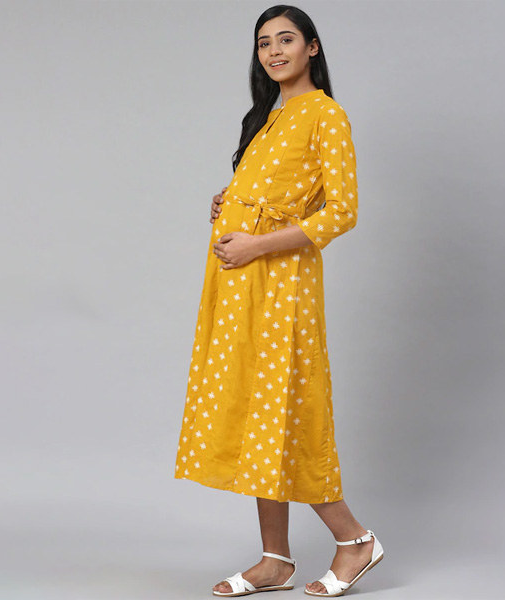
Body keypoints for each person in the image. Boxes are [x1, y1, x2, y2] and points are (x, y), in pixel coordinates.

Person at [174, 5, 383, 597]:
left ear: (312, 47)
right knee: (255, 409)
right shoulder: (268, 116)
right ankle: (276, 560)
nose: (274, 51)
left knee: (288, 407)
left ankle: (355, 540)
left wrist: (257, 242)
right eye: (264, 43)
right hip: (240, 281)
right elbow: (279, 187)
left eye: (286, 40)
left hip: (280, 282)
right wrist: (232, 200)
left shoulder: (326, 114)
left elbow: (341, 212)